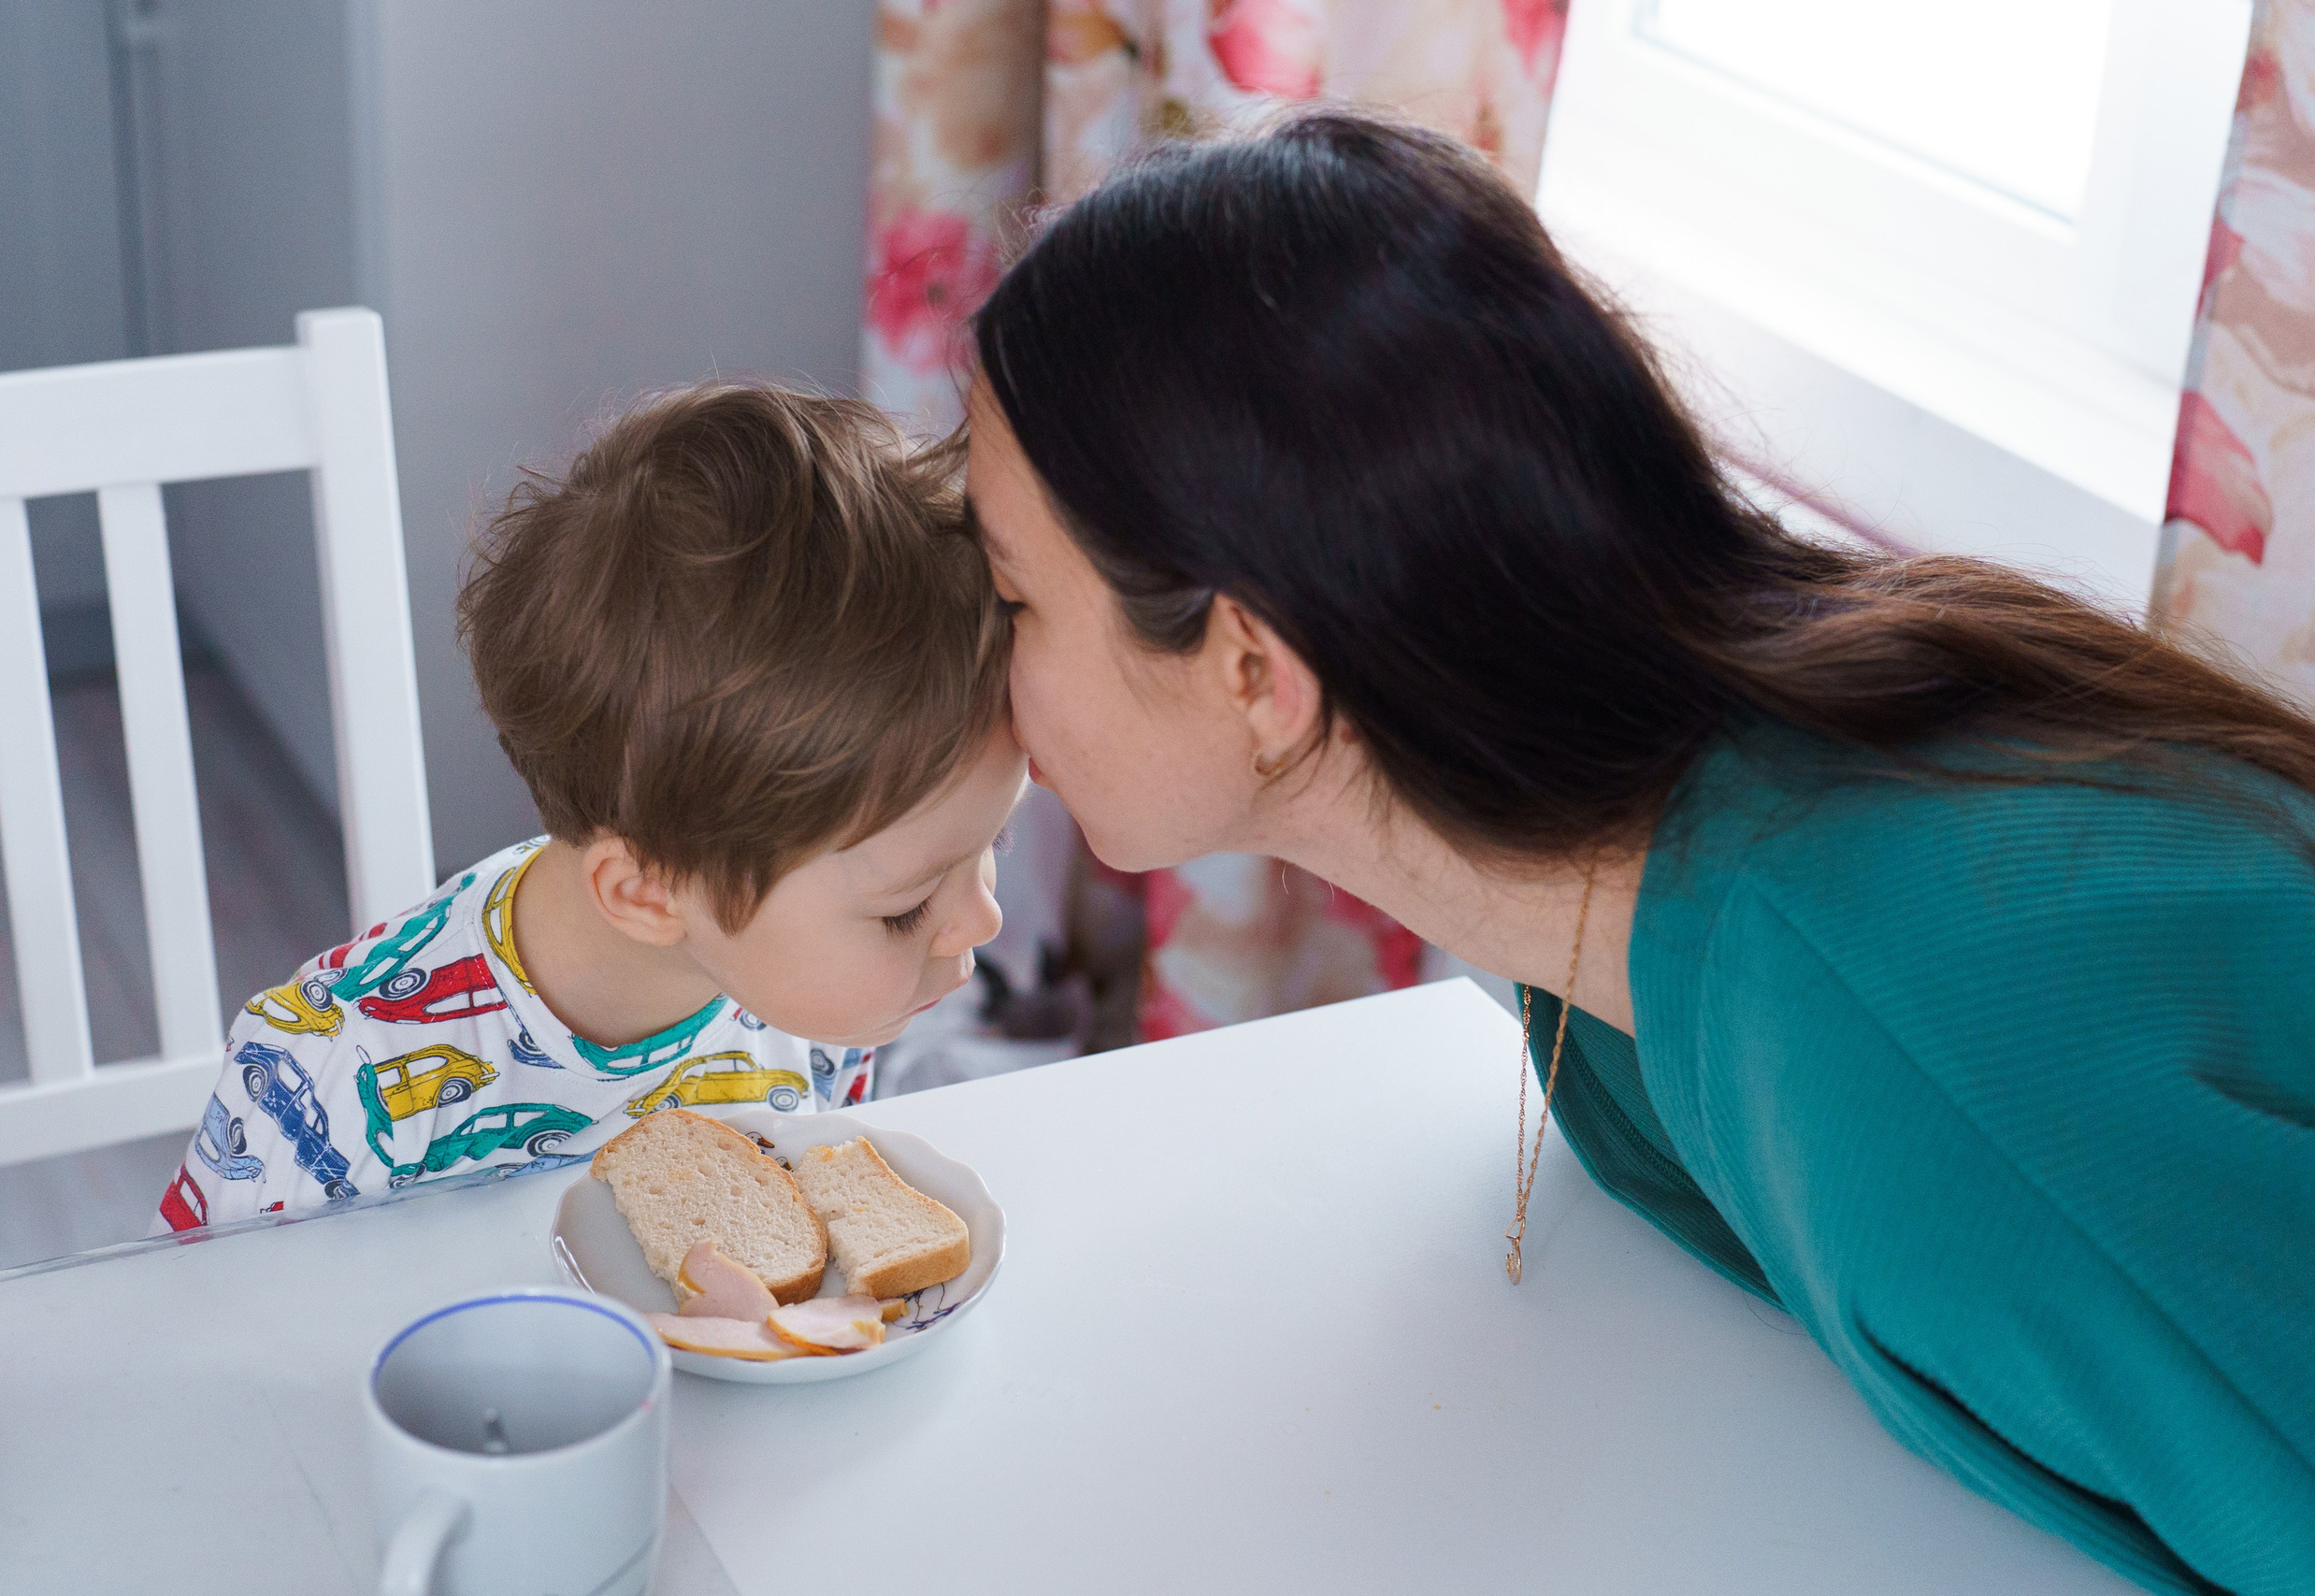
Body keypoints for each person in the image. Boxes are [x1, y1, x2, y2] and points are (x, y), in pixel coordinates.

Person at [963, 111, 2315, 1594]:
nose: (981, 656)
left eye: (1015, 597)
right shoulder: (1634, 909)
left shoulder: (1893, 1053)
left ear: (1252, 672)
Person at [157, 386, 1021, 1229]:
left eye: (994, 842)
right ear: (648, 892)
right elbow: (198, 1338)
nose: (983, 918)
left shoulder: (812, 1001)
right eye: (907, 907)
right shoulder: (336, 1080)